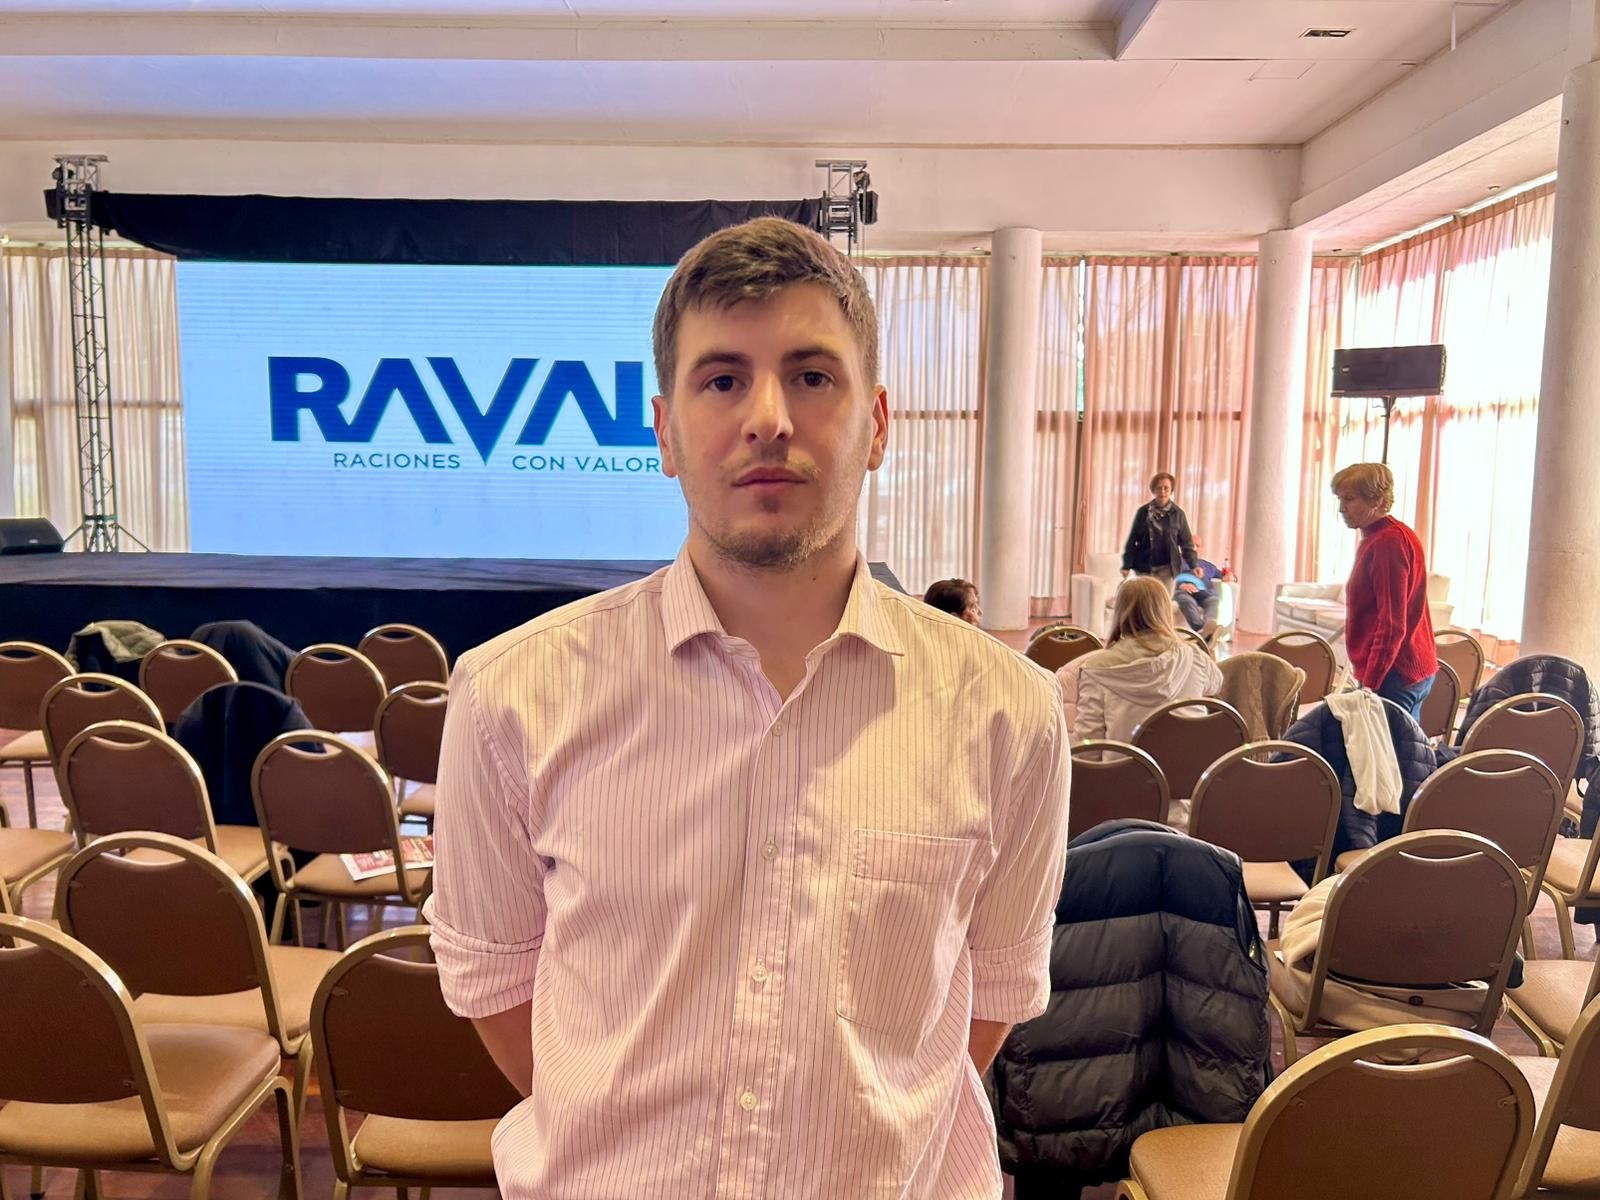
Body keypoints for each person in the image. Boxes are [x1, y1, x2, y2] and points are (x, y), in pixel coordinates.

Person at [425, 217, 1071, 1200]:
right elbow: (499, 988)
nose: (768, 417)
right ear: (664, 432)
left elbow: (986, 1000)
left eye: (811, 376)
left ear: (878, 424)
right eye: (722, 379)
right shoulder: (509, 696)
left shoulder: (1009, 713)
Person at [1056, 575, 1222, 742]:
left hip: (1126, 759)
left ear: (1120, 613)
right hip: (1192, 757)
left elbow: (1089, 743)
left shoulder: (1095, 668)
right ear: (1165, 612)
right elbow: (1216, 684)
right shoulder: (1193, 655)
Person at [1331, 462, 1438, 721]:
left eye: (1349, 499)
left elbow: (1391, 623)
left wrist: (1371, 683)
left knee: (1385, 748)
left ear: (1377, 500)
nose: (1341, 508)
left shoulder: (1387, 542)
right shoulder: (1390, 535)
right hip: (1406, 669)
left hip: (1395, 673)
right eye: (1339, 499)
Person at [1120, 471, 1197, 585]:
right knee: (1145, 597)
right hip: (1144, 568)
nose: (1162, 491)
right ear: (1154, 490)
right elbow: (1132, 540)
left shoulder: (1178, 514)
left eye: (1166, 488)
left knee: (1164, 597)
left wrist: (1194, 565)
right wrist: (1126, 565)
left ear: (1171, 490)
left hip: (1168, 569)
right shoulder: (1143, 512)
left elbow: (1186, 543)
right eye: (1159, 488)